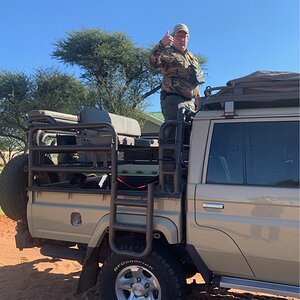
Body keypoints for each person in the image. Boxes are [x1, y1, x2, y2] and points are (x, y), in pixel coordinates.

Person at [149, 23, 205, 124]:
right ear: (173, 37)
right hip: (173, 100)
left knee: (189, 135)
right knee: (175, 134)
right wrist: (162, 44)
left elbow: (196, 79)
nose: (181, 38)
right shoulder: (167, 52)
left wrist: (198, 99)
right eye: (178, 35)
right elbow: (153, 62)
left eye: (184, 36)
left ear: (188, 38)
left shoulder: (192, 58)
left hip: (190, 102)